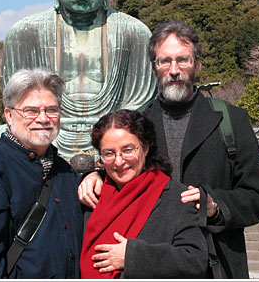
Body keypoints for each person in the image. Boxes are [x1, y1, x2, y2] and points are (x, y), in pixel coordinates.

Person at [79, 21, 259, 278]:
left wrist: (216, 206)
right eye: (164, 61)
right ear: (154, 67)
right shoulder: (138, 125)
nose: (174, 70)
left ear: (198, 65)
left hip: (217, 263)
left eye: (183, 60)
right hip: (150, 262)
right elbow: (124, 169)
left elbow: (258, 198)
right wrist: (96, 176)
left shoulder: (231, 120)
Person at [0, 0, 156, 157]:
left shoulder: (134, 32)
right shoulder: (25, 33)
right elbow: (16, 101)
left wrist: (107, 132)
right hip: (45, 129)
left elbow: (140, 100)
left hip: (114, 136)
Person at [0, 68, 83, 278]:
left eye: (52, 110)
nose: (43, 119)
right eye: (31, 111)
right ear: (9, 115)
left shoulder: (66, 172)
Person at [81, 109, 207, 279]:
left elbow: (195, 260)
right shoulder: (91, 194)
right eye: (109, 153)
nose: (119, 161)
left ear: (145, 148)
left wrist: (134, 256)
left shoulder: (176, 197)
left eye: (128, 150)